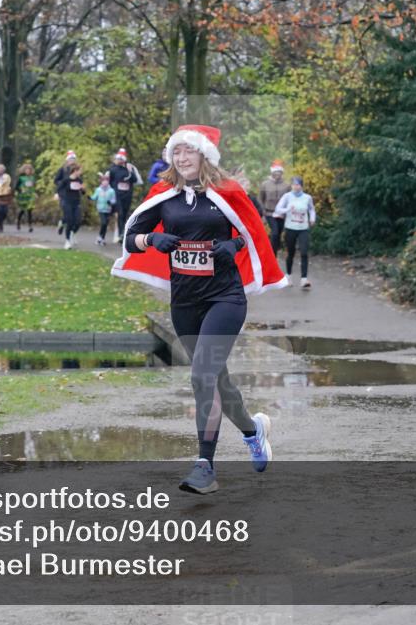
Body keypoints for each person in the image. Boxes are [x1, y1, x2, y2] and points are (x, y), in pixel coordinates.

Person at [112, 124, 288, 494]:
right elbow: (130, 237)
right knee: (216, 379)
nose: (182, 158)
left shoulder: (228, 192)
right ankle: (253, 430)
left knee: (201, 376)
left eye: (189, 151)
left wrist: (234, 244)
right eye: (176, 152)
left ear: (204, 155)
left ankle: (204, 465)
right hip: (186, 301)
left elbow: (256, 232)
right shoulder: (165, 194)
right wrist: (152, 238)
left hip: (225, 297)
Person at [274, 176, 316, 289]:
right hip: (290, 228)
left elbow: (311, 209)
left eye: (298, 184)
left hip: (303, 228)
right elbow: (278, 209)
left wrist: (312, 218)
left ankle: (304, 279)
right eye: (293, 184)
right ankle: (288, 276)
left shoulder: (307, 197)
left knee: (304, 252)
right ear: (291, 186)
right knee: (291, 253)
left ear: (301, 186)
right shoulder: (287, 196)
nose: (295, 186)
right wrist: (287, 209)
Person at [108, 148, 142, 242]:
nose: (119, 160)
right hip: (117, 195)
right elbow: (109, 182)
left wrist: (130, 171)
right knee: (120, 213)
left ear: (124, 159)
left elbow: (135, 180)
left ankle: (122, 233)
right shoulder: (113, 169)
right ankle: (120, 234)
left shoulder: (129, 168)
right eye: (118, 159)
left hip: (127, 195)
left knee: (125, 215)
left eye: (121, 159)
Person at [259, 159, 288, 253]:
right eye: (275, 172)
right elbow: (261, 199)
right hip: (269, 213)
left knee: (278, 233)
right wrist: (262, 214)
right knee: (275, 233)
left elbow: (289, 199)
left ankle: (275, 251)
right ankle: (272, 253)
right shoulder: (265, 184)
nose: (277, 174)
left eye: (279, 172)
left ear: (281, 173)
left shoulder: (286, 185)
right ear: (272, 173)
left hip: (282, 214)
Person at [59, 161, 85, 249]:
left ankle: (72, 233)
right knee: (69, 221)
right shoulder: (66, 180)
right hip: (67, 203)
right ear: (75, 170)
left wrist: (83, 189)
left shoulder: (79, 180)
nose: (81, 172)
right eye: (80, 171)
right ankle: (67, 241)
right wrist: (58, 195)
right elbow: (59, 189)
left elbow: (83, 193)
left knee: (78, 221)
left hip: (76, 203)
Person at [54, 150, 78, 235]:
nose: (72, 161)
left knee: (72, 214)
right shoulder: (62, 169)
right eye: (71, 159)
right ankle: (63, 223)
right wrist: (61, 185)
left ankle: (63, 223)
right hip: (63, 194)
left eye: (74, 159)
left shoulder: (76, 170)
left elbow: (79, 181)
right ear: (67, 160)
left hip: (74, 195)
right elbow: (56, 181)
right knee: (66, 212)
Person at [91, 172, 117, 245]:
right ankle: (100, 237)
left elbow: (114, 200)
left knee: (106, 224)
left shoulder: (111, 190)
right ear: (101, 182)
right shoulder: (98, 190)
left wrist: (111, 202)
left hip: (108, 209)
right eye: (103, 181)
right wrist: (90, 197)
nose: (105, 182)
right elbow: (94, 197)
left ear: (108, 182)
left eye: (106, 181)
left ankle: (102, 238)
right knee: (103, 222)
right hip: (100, 209)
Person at [15, 162, 35, 232]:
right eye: (26, 170)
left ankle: (30, 225)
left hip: (30, 196)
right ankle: (18, 221)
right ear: (24, 170)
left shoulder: (32, 178)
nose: (28, 171)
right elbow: (16, 187)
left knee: (30, 210)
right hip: (23, 196)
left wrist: (35, 193)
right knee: (23, 210)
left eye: (29, 170)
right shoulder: (21, 178)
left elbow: (33, 187)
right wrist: (21, 191)